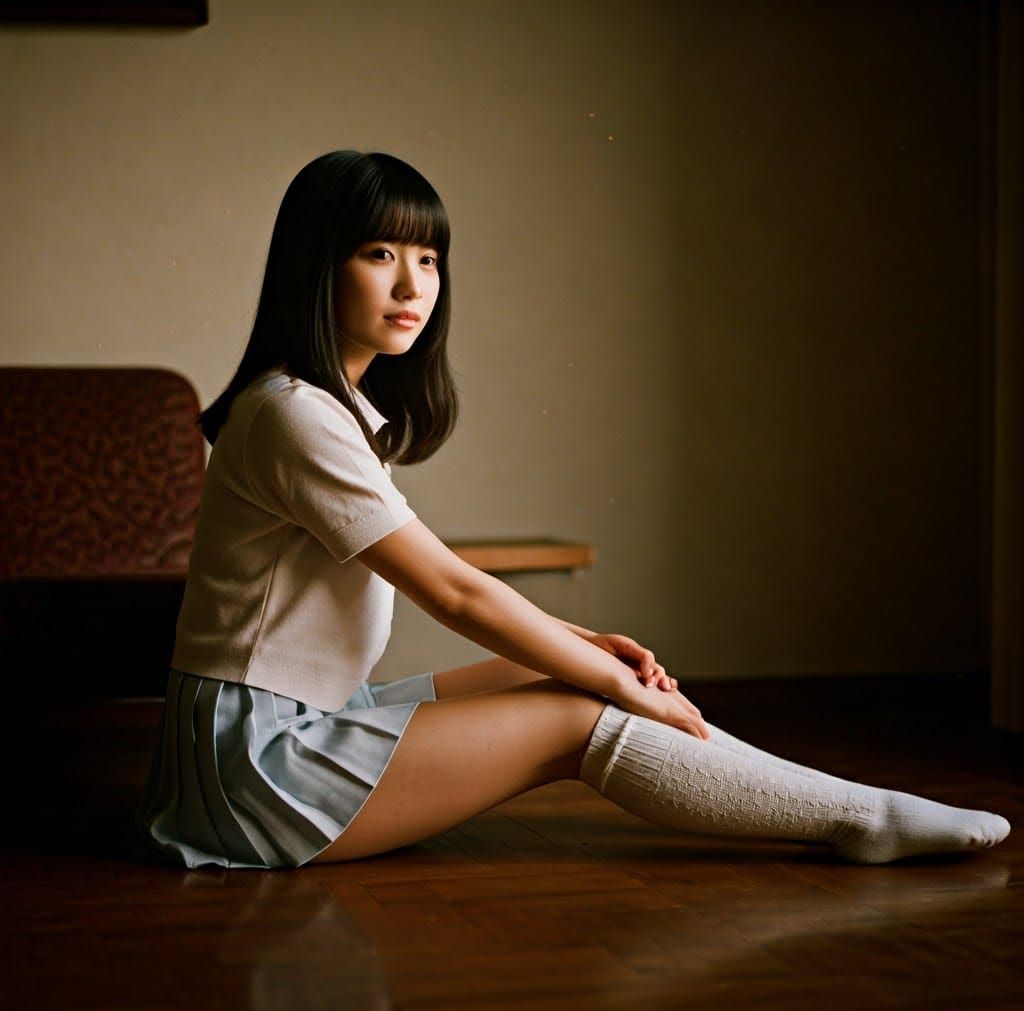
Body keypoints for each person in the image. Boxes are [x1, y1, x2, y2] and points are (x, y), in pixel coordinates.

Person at [135, 150, 1010, 870]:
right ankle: (854, 818)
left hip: (297, 717)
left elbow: (462, 587)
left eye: (429, 259)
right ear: (315, 266)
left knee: (564, 674)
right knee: (579, 713)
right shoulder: (294, 413)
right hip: (252, 767)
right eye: (379, 254)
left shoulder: (316, 406)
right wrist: (608, 683)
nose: (413, 285)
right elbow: (456, 594)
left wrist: (589, 648)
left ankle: (849, 808)